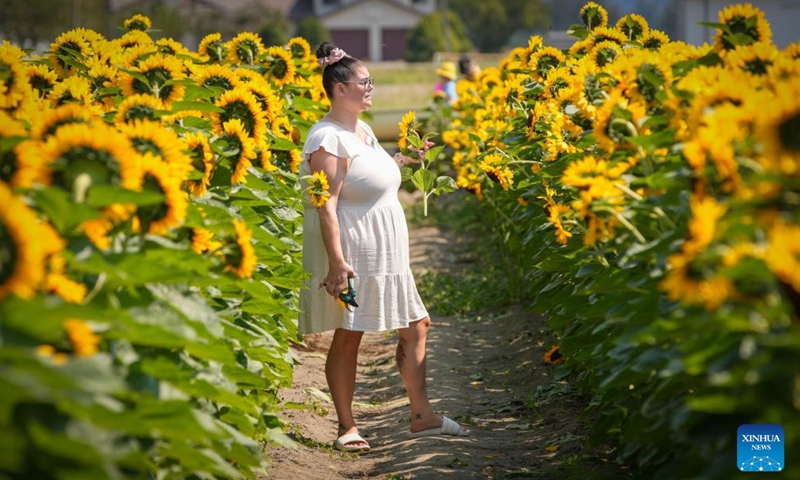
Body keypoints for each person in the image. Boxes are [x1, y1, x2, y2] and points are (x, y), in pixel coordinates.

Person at [298, 42, 471, 452]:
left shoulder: (362, 129)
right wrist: (337, 263)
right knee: (350, 336)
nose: (371, 88)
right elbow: (327, 204)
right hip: (355, 252)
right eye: (365, 82)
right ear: (340, 89)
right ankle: (347, 427)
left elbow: (369, 177)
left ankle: (421, 416)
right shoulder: (325, 138)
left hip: (387, 253)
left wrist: (402, 160)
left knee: (416, 326)